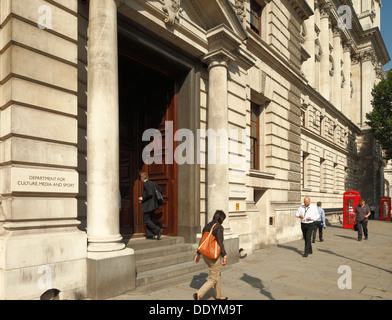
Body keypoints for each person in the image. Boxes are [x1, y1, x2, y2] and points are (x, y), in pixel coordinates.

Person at [193, 210, 228, 300]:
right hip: (213, 256)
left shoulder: (207, 226)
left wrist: (198, 253)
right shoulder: (219, 227)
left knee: (217, 274)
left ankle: (219, 296)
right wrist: (224, 255)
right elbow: (220, 242)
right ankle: (198, 294)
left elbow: (203, 240)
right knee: (213, 278)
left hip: (205, 254)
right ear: (221, 219)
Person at [138, 172, 162, 240]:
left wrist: (142, 198)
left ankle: (157, 230)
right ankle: (150, 235)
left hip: (148, 205)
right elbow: (160, 189)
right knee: (149, 219)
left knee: (146, 219)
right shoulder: (152, 183)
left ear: (142, 178)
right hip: (154, 205)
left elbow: (149, 194)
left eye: (141, 178)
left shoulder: (146, 184)